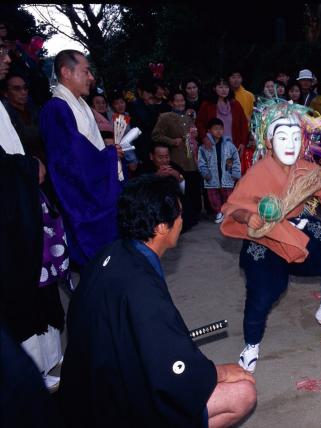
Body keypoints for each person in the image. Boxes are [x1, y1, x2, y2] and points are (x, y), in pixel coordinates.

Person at [59, 175, 256, 427]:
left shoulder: (110, 253)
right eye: (179, 215)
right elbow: (173, 371)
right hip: (115, 407)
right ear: (162, 227)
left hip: (89, 389)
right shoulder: (141, 288)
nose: (182, 221)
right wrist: (220, 372)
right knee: (243, 392)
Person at [220, 99, 321, 373]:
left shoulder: (307, 170)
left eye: (294, 137)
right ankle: (251, 344)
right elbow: (232, 208)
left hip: (298, 231)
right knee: (265, 292)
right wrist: (249, 216)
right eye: (281, 136)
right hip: (266, 238)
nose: (289, 144)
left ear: (303, 140)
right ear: (268, 141)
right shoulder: (258, 173)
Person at [0, 49, 68, 392]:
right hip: (9, 218)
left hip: (24, 205)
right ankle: (28, 374)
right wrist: (28, 167)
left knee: (40, 286)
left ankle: (45, 365)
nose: (6, 55)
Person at [40, 50, 123, 268]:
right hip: (81, 199)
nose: (91, 77)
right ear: (66, 72)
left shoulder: (80, 105)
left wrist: (107, 150)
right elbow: (73, 160)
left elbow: (85, 147)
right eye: (86, 71)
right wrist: (109, 156)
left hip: (92, 191)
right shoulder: (56, 109)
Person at [152, 90, 201, 231]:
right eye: (177, 101)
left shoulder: (188, 117)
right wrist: (171, 141)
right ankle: (180, 220)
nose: (180, 103)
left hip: (191, 159)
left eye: (182, 100)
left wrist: (194, 135)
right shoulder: (166, 117)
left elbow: (192, 136)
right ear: (171, 103)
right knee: (180, 191)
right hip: (176, 158)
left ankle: (192, 217)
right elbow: (155, 135)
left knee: (192, 189)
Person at [198, 118, 241, 223]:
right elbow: (201, 161)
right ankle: (218, 212)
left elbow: (236, 159)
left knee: (228, 196)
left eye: (221, 129)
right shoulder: (204, 147)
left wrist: (235, 173)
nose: (218, 131)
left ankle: (227, 213)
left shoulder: (229, 145)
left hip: (227, 176)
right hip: (211, 178)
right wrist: (205, 173)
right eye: (215, 129)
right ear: (209, 130)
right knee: (213, 197)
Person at [196, 77, 249, 153]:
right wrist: (204, 138)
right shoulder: (207, 105)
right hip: (212, 145)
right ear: (214, 88)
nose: (224, 90)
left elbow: (243, 125)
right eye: (220, 87)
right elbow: (199, 123)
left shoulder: (235, 104)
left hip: (232, 146)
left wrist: (243, 142)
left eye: (226, 87)